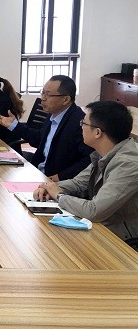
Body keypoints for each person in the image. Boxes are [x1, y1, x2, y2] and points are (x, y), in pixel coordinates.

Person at [34, 101, 138, 241]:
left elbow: (94, 210)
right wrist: (49, 188)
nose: (81, 127)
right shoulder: (104, 153)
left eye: (83, 123)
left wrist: (59, 195)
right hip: (102, 225)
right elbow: (78, 183)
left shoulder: (129, 165)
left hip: (121, 239)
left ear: (97, 132)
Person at [0, 75, 92, 181]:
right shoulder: (53, 114)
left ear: (66, 99)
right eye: (43, 92)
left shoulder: (80, 123)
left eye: (48, 94)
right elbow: (40, 139)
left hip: (56, 181)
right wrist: (14, 125)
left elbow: (90, 160)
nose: (43, 98)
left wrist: (61, 176)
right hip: (38, 172)